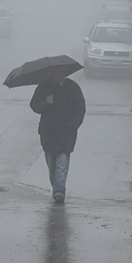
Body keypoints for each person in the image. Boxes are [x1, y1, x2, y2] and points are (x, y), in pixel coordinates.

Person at [30, 72, 86, 203]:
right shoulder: (44, 87)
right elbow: (34, 105)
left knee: (62, 163)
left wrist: (73, 125)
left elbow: (80, 108)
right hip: (48, 132)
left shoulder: (73, 88)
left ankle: (59, 192)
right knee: (52, 164)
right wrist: (46, 101)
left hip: (66, 132)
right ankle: (57, 188)